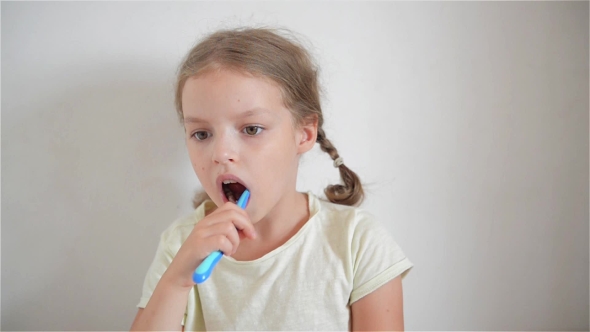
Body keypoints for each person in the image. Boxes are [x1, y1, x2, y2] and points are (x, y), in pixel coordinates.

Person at [131, 27, 413, 331]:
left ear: (304, 133)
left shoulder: (357, 242)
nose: (221, 153)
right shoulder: (181, 245)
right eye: (201, 134)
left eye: (251, 129)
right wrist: (176, 281)